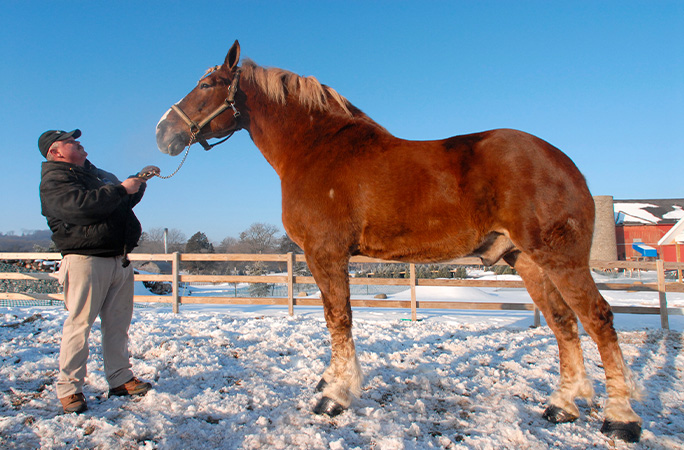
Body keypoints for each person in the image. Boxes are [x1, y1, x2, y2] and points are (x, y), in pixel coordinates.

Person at [38, 129, 160, 414]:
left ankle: (120, 379)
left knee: (117, 325)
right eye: (73, 143)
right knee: (80, 326)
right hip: (86, 260)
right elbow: (82, 208)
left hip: (119, 259)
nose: (82, 147)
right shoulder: (55, 180)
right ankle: (70, 390)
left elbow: (120, 200)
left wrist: (138, 182)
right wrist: (120, 189)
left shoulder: (92, 174)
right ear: (56, 151)